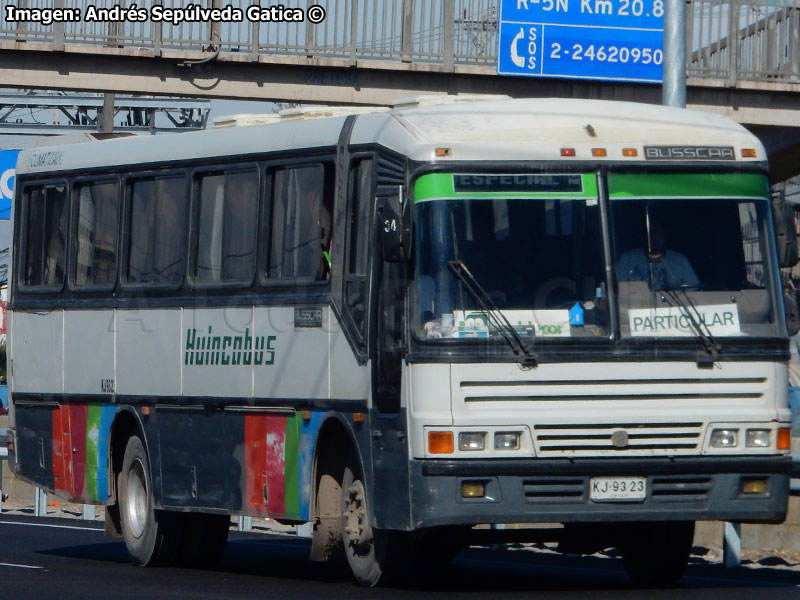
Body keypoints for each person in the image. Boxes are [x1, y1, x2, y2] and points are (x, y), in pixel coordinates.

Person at [616, 219, 699, 290]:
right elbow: (613, 288)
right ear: (642, 237)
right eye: (649, 233)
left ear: (664, 236)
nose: (653, 237)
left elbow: (694, 291)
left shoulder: (680, 261)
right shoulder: (627, 259)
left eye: (656, 233)